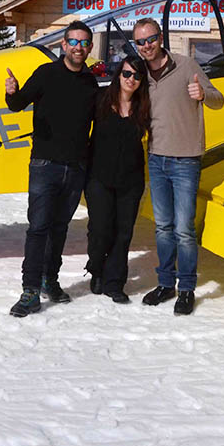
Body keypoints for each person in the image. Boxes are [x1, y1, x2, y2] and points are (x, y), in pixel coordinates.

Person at [4, 21, 98, 317]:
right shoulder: (46, 74)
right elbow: (17, 105)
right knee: (39, 229)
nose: (78, 47)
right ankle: (30, 291)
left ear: (90, 47)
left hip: (76, 166)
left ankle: (50, 280)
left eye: (84, 43)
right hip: (45, 164)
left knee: (59, 228)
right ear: (63, 45)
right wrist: (11, 92)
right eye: (73, 41)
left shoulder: (90, 82)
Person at [132, 17, 223, 315]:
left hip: (185, 160)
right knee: (163, 227)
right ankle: (165, 284)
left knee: (184, 230)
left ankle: (186, 289)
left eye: (151, 39)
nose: (147, 46)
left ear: (161, 38)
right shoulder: (139, 74)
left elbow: (218, 100)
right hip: (156, 159)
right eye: (140, 42)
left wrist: (203, 95)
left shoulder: (187, 66)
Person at [84, 54, 150, 304]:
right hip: (99, 176)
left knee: (123, 233)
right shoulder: (100, 100)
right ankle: (96, 269)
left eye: (136, 75)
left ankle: (114, 283)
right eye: (126, 73)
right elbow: (75, 119)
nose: (131, 79)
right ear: (118, 74)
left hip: (130, 181)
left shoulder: (144, 107)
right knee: (100, 229)